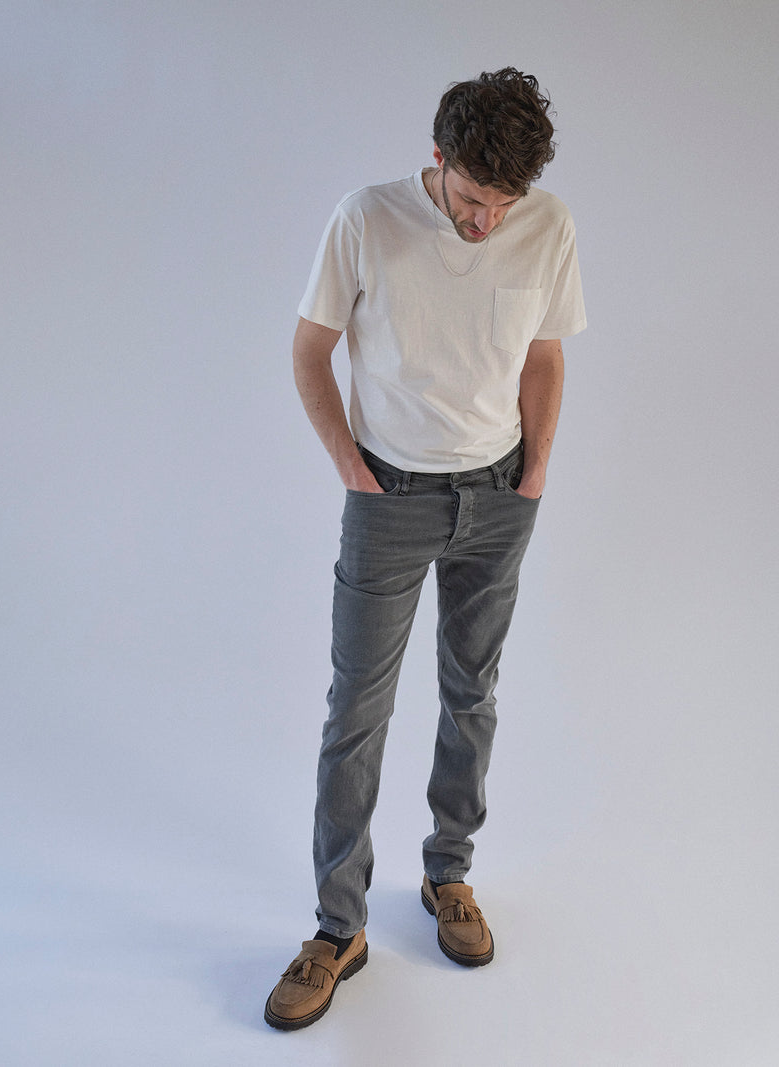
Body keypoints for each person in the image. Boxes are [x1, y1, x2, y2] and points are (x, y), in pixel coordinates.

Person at [265, 67, 586, 1030]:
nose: (487, 222)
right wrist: (352, 472)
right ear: (438, 161)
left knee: (472, 693)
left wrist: (534, 476)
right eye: (474, 199)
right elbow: (307, 347)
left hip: (499, 495)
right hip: (389, 494)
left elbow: (543, 354)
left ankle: (449, 874)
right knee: (355, 710)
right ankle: (338, 927)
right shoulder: (366, 219)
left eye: (505, 204)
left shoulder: (548, 224)